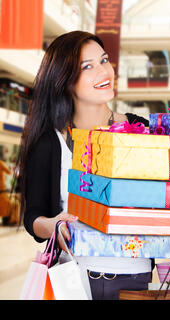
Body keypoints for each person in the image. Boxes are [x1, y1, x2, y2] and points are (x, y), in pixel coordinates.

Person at [17, 31, 154, 300]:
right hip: (75, 280)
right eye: (87, 67)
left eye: (104, 60)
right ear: (65, 81)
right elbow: (33, 217)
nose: (104, 71)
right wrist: (54, 225)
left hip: (137, 278)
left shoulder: (142, 130)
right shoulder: (50, 141)